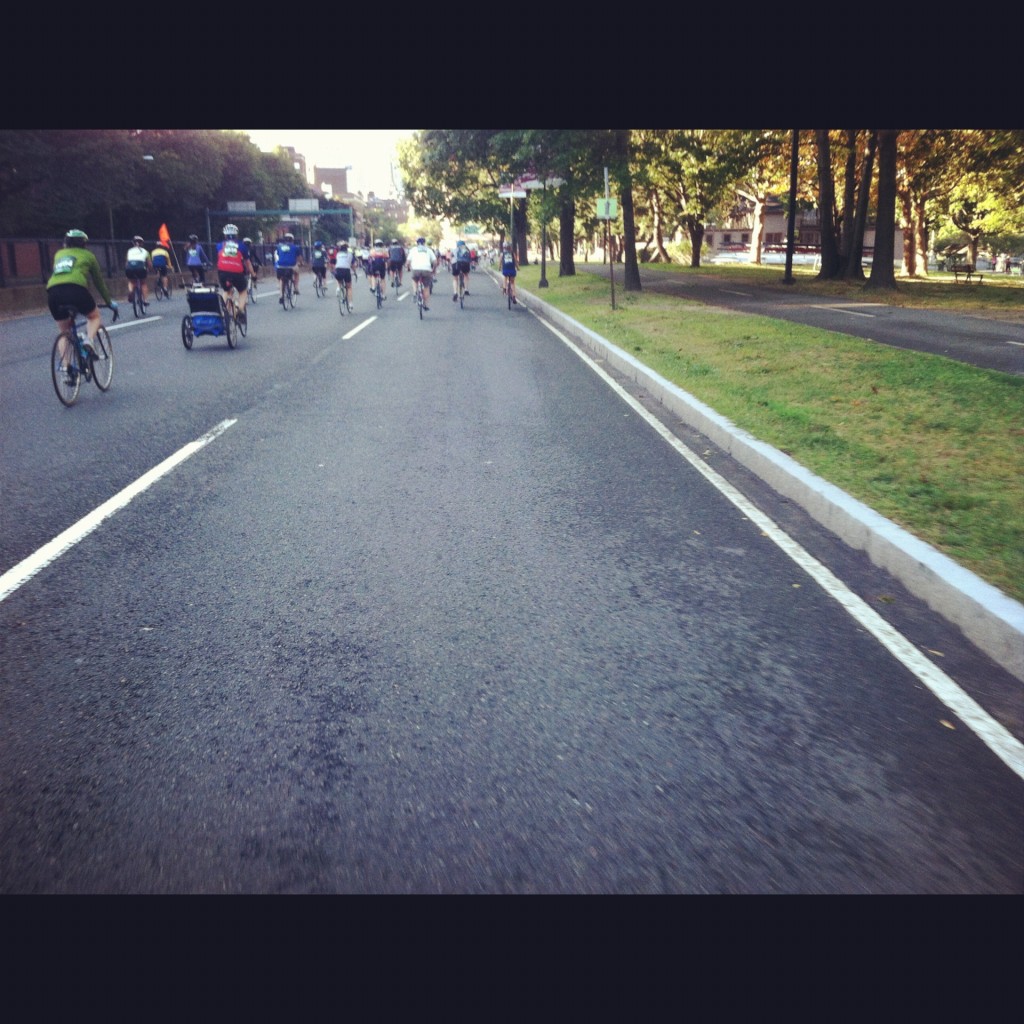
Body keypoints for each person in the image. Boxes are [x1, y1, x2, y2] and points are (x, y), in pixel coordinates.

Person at [46, 229, 118, 371]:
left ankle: (66, 368)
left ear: (65, 243)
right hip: (76, 289)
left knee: (64, 331)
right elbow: (98, 282)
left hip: (53, 292)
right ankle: (89, 340)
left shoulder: (59, 254)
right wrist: (109, 302)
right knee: (94, 316)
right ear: (84, 244)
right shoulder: (88, 256)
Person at [216, 224, 254, 324]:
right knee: (243, 291)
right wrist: (253, 274)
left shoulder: (219, 245)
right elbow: (248, 263)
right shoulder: (242, 246)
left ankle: (223, 310)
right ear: (236, 235)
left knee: (226, 290)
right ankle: (240, 310)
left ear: (225, 236)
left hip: (223, 272)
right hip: (237, 273)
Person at [407, 237, 436, 310]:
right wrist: (433, 270)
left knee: (414, 279)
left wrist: (408, 267)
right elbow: (435, 262)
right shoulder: (429, 250)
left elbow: (408, 261)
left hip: (416, 269)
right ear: (424, 243)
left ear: (417, 243)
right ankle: (425, 305)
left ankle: (415, 292)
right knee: (426, 288)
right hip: (426, 269)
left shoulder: (413, 250)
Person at [274, 232, 303, 304]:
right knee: (297, 273)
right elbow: (300, 258)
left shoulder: (279, 247)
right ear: (292, 240)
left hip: (280, 267)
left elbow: (278, 254)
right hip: (291, 267)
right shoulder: (296, 247)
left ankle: (281, 295)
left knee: (281, 279)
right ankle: (296, 288)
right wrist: (301, 263)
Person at [125, 235, 151, 307]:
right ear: (142, 243)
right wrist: (148, 269)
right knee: (143, 283)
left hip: (130, 268)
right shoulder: (145, 251)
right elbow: (149, 263)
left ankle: (131, 291)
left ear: (133, 243)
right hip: (141, 268)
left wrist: (127, 269)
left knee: (131, 281)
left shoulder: (129, 251)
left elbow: (127, 262)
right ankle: (145, 300)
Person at [333, 242, 356, 311]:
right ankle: (350, 304)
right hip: (346, 270)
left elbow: (336, 262)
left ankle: (338, 288)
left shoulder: (337, 254)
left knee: (338, 279)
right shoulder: (350, 254)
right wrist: (354, 272)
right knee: (349, 287)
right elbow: (353, 265)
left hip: (338, 269)